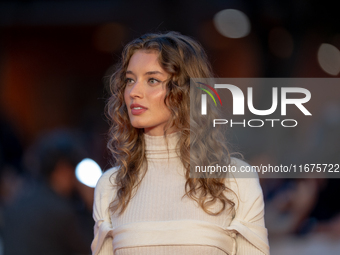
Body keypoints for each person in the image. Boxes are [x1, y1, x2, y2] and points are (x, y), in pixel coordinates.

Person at [91, 31, 270, 255]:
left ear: (185, 91)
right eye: (130, 80)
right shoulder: (110, 187)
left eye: (152, 80)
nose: (134, 92)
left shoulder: (235, 179)